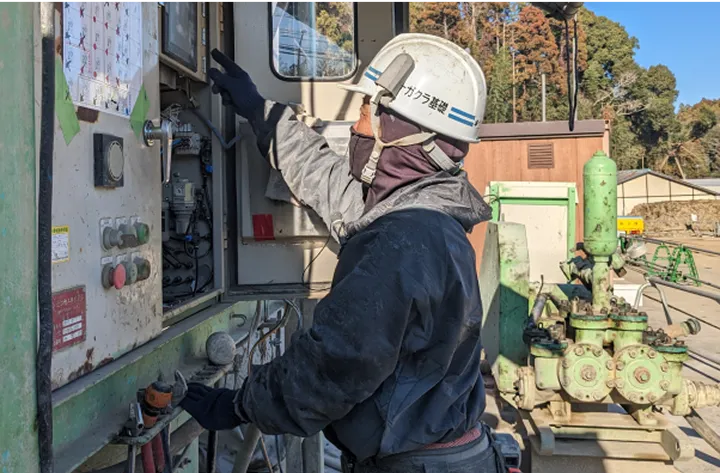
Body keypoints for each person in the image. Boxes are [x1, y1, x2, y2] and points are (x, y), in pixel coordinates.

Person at [181, 33, 502, 473]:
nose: (356, 128)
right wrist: (261, 112)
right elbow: (326, 180)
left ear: (400, 131)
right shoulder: (422, 216)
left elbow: (335, 365)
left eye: (366, 113)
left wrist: (240, 404)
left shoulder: (403, 239)